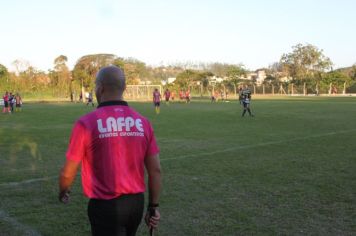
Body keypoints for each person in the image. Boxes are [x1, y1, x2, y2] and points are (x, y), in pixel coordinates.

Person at [58, 66, 162, 236]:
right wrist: (153, 207)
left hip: (105, 206)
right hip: (136, 203)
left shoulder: (86, 123)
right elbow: (156, 171)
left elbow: (68, 172)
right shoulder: (143, 122)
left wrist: (63, 190)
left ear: (100, 88)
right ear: (124, 88)